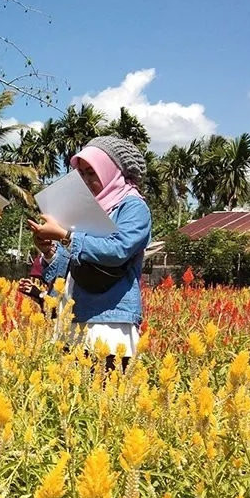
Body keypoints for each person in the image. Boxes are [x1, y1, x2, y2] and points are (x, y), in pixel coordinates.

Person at [28, 136, 152, 372]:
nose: (85, 180)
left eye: (91, 172)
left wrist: (66, 236)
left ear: (110, 171)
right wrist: (49, 250)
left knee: (106, 396)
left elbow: (119, 249)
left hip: (109, 319)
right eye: (81, 173)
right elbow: (73, 260)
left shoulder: (133, 207)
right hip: (75, 314)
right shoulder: (86, 208)